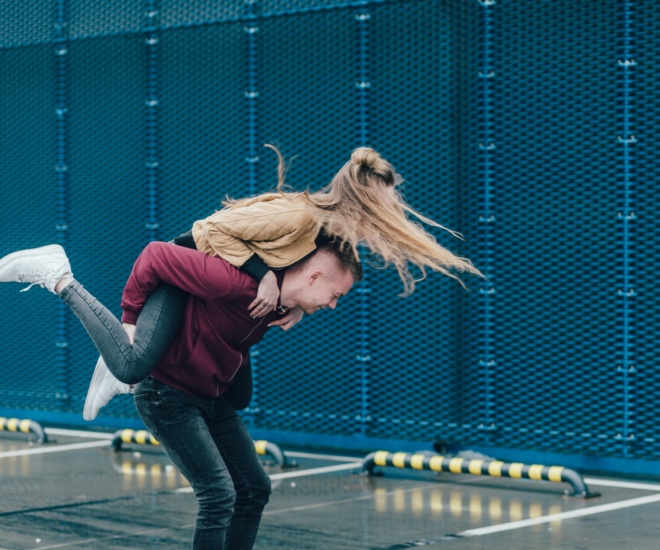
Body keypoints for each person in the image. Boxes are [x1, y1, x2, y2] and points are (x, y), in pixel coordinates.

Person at [1, 145, 481, 421]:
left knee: (227, 391)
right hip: (185, 264)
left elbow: (289, 270)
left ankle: (123, 358)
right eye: (389, 202)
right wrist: (260, 276)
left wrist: (289, 301)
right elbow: (210, 231)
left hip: (210, 280)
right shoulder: (302, 216)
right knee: (133, 360)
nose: (392, 212)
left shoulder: (323, 234)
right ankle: (61, 279)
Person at [0, 236, 361, 548]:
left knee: (254, 488)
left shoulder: (278, 302)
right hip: (167, 394)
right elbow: (156, 254)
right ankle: (60, 278)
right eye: (334, 296)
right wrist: (128, 328)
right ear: (314, 276)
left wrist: (295, 306)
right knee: (219, 494)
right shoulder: (237, 283)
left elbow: (314, 262)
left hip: (209, 396)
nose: (332, 305)